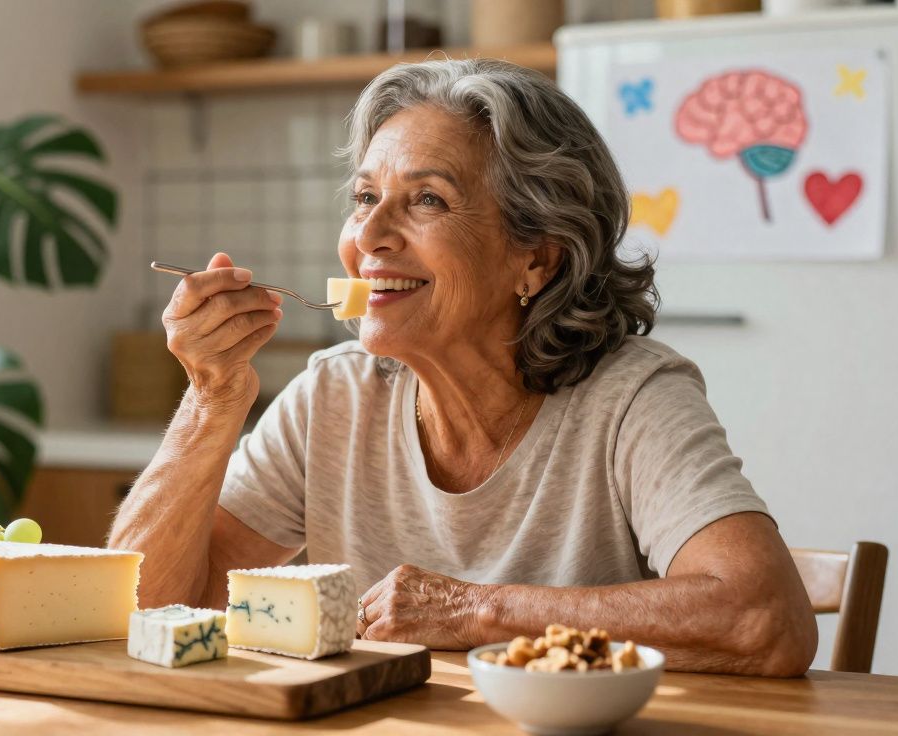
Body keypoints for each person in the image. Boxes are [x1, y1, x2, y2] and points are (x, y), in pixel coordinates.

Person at [110, 58, 817, 676]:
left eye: (426, 200)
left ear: (535, 258)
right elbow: (147, 606)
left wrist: (477, 610)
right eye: (364, 198)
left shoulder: (631, 399)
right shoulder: (334, 394)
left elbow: (764, 619)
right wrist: (212, 399)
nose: (369, 238)